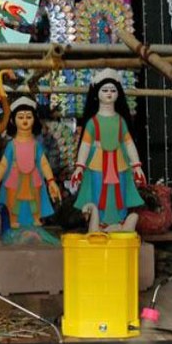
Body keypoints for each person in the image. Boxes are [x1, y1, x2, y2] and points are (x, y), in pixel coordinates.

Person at [70, 69, 146, 231]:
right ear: (97, 94)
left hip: (120, 165)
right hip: (97, 165)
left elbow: (129, 143)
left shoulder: (120, 121)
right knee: (98, 192)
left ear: (118, 94)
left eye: (113, 90)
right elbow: (85, 145)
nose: (109, 94)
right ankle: (99, 223)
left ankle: (120, 222)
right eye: (105, 90)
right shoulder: (92, 122)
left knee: (120, 193)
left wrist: (136, 165)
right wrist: (80, 166)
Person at [0, 96, 61, 229]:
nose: (25, 120)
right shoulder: (11, 145)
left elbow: (43, 163)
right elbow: (3, 164)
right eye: (20, 117)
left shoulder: (37, 145)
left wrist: (51, 181)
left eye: (28, 117)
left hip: (34, 179)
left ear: (34, 119)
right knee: (13, 202)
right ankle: (12, 220)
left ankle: (36, 219)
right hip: (14, 178)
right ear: (13, 121)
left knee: (35, 201)